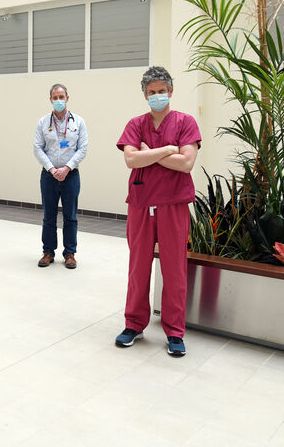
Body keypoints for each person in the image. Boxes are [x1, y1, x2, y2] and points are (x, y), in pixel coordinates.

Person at [114, 66, 201, 357]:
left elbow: (186, 163)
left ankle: (175, 332)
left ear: (171, 92)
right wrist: (167, 150)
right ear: (144, 95)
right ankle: (134, 325)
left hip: (173, 204)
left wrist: (148, 153)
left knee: (174, 269)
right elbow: (130, 160)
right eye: (151, 93)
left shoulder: (186, 122)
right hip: (141, 203)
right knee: (138, 267)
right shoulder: (136, 124)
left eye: (161, 91)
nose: (157, 96)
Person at [33, 83, 88, 269]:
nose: (58, 100)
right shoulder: (43, 122)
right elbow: (37, 148)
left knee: (70, 216)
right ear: (50, 100)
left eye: (61, 97)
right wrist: (51, 169)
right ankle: (48, 252)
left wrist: (66, 168)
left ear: (67, 98)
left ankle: (70, 253)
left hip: (71, 175)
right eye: (55, 97)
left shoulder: (78, 122)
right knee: (49, 216)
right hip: (48, 176)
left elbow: (83, 149)